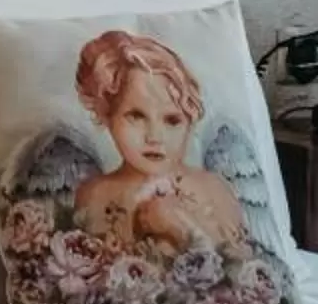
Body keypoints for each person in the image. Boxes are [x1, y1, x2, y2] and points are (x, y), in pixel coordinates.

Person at [69, 30, 251, 255]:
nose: (154, 137)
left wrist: (181, 226)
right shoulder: (95, 194)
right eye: (136, 116)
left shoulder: (213, 189)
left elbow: (240, 267)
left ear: (190, 122)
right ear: (107, 115)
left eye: (172, 120)